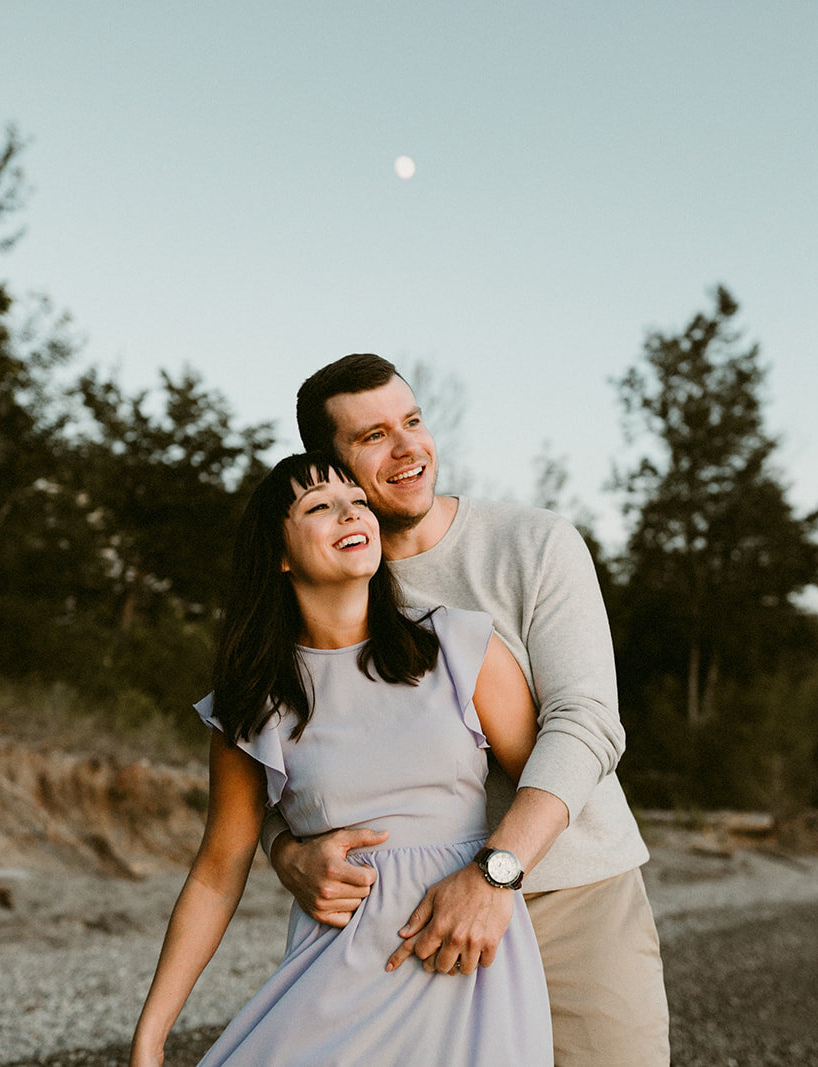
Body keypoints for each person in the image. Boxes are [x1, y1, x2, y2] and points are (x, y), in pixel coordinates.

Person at [264, 354, 670, 1065]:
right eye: (371, 437)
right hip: (413, 920)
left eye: (412, 421)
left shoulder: (535, 543)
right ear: (327, 465)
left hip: (570, 891)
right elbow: (278, 740)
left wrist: (494, 874)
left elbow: (587, 721)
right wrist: (285, 849)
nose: (407, 448)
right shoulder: (330, 574)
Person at [128, 452, 553, 1066]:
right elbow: (217, 873)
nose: (351, 512)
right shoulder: (254, 703)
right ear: (279, 553)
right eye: (319, 506)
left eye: (357, 501)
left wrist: (496, 879)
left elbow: (547, 785)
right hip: (338, 978)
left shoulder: (462, 645)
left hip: (471, 959)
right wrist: (152, 1035)